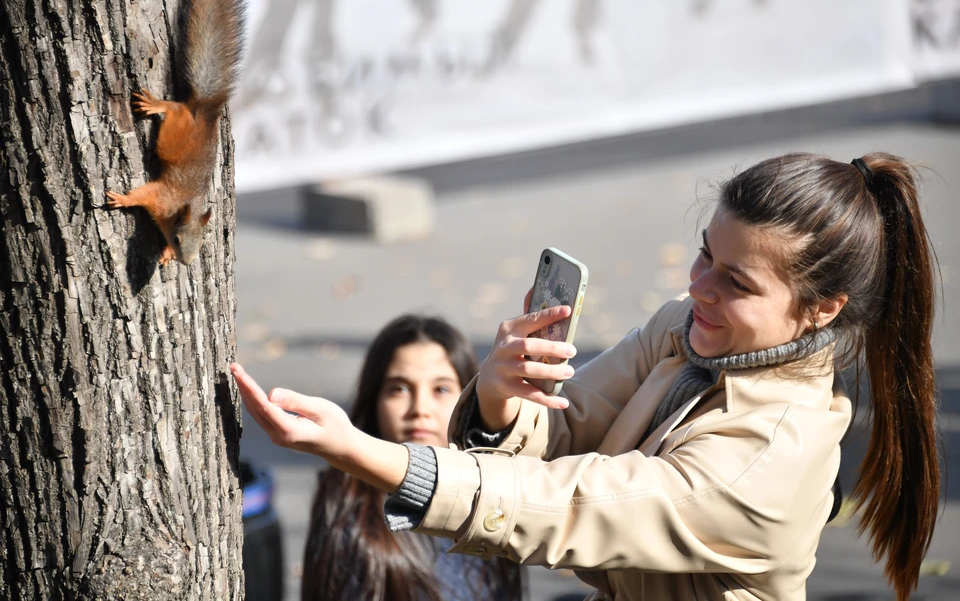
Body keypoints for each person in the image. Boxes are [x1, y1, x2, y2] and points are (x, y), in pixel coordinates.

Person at [234, 152, 940, 601]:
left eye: (735, 282)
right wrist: (499, 399)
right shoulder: (686, 328)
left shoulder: (764, 459)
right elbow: (570, 427)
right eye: (703, 256)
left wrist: (363, 452)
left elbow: (568, 505)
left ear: (820, 310)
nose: (699, 288)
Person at [297, 315, 523, 601]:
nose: (420, 408)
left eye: (441, 389)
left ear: (468, 398)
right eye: (399, 388)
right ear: (374, 400)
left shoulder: (498, 490)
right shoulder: (345, 506)